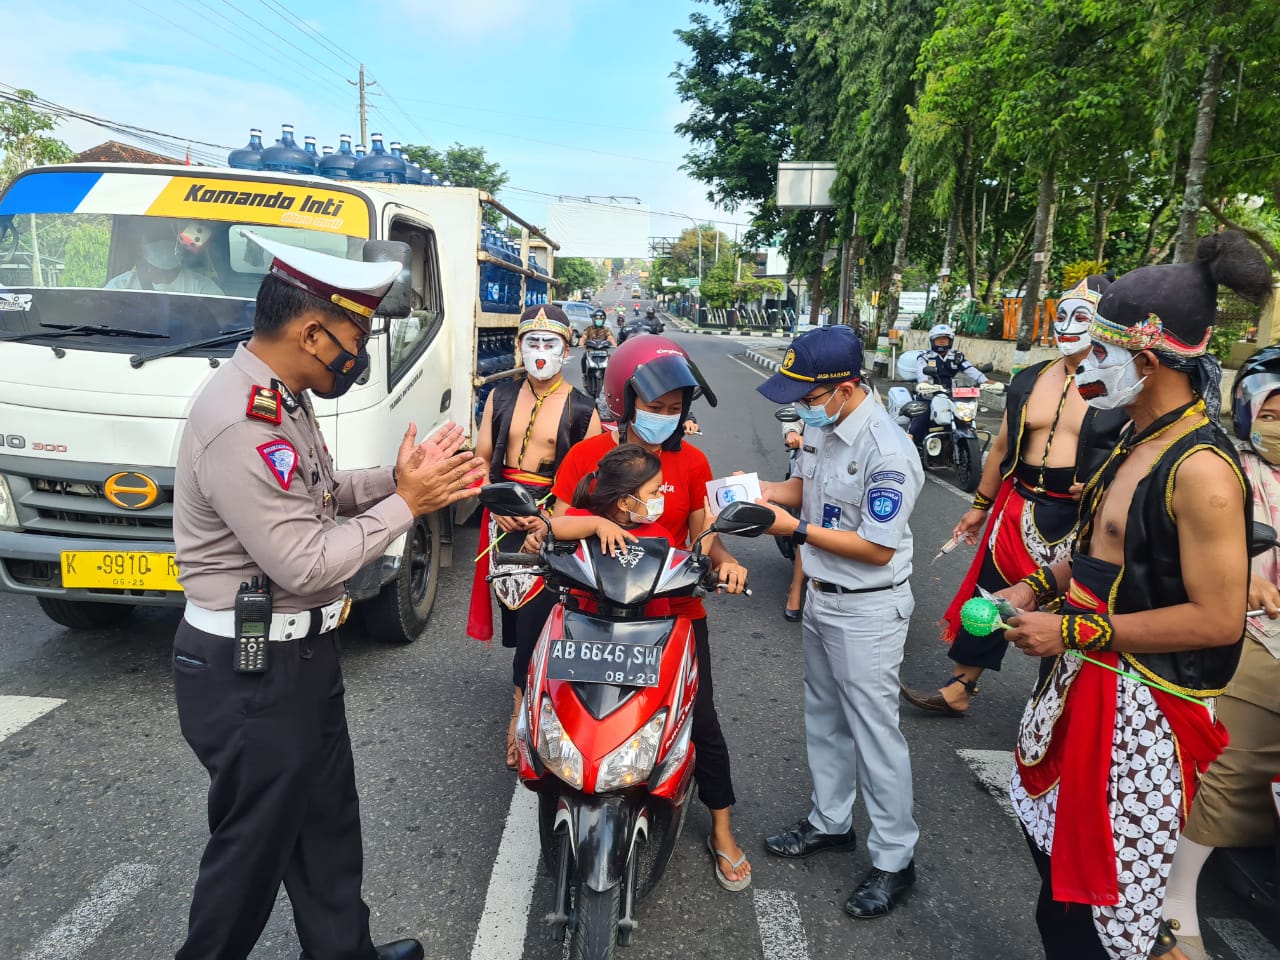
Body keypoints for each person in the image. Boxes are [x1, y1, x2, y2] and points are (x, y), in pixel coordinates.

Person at [171, 231, 487, 960]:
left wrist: (395, 478)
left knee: (327, 833)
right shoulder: (240, 419)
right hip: (249, 671)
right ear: (312, 331)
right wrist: (409, 503)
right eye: (357, 335)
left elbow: (321, 495)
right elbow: (305, 561)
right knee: (247, 864)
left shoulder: (280, 396)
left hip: (297, 662)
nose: (359, 353)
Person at [1001, 230, 1272, 960]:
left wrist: (1073, 634)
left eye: (1099, 354)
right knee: (1054, 872)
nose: (1084, 366)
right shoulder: (1129, 435)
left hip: (1142, 710)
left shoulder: (1206, 472)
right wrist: (1035, 584)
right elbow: (1099, 553)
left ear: (1146, 360)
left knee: (1098, 913)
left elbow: (1218, 618)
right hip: (1081, 680)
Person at [549, 334, 753, 891]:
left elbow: (704, 536)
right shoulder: (588, 456)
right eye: (653, 407)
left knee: (700, 722)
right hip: (593, 606)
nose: (662, 418)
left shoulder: (693, 462)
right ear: (624, 401)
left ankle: (722, 829)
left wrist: (726, 559)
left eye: (672, 410)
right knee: (559, 706)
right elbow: (557, 523)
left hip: (673, 611)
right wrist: (595, 523)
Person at [753, 325, 924, 919]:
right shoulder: (826, 428)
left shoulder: (888, 451)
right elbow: (806, 487)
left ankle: (895, 860)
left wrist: (791, 529)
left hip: (868, 606)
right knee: (823, 718)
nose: (801, 408)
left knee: (875, 734)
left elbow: (876, 548)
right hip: (823, 598)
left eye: (808, 396)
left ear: (845, 388)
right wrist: (763, 493)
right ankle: (831, 821)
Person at [901, 275, 1124, 717]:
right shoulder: (1028, 380)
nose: (1067, 324)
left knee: (1072, 612)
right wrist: (980, 507)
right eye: (1061, 314)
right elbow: (1002, 446)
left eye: (1081, 315)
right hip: (1019, 508)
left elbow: (1138, 453)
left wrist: (1103, 482)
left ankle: (1058, 707)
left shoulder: (1119, 387)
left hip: (1083, 519)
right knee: (989, 596)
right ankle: (961, 686)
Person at [1161, 347, 1280, 960]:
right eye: (1274, 410)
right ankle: (1175, 900)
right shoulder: (1221, 471)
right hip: (1255, 633)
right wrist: (1251, 584)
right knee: (1229, 763)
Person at [469, 304, 600, 768]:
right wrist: (492, 500)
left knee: (537, 621)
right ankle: (530, 696)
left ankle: (519, 717)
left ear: (567, 350)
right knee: (516, 617)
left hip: (551, 523)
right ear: (518, 346)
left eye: (550, 344)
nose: (540, 352)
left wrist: (547, 525)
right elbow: (482, 459)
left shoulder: (584, 410)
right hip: (504, 521)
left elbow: (588, 483)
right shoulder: (499, 398)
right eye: (532, 342)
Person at [551, 443, 676, 618]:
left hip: (649, 628)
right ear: (624, 502)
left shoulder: (661, 536)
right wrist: (597, 525)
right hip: (586, 624)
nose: (661, 497)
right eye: (654, 492)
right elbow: (552, 528)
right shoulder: (583, 520)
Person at [907, 323, 989, 446]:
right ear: (932, 341)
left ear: (950, 341)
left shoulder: (957, 357)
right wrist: (924, 384)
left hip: (952, 396)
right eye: (938, 339)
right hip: (929, 396)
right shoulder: (925, 357)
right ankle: (910, 447)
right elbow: (921, 373)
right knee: (919, 422)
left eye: (944, 339)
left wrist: (987, 382)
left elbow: (971, 370)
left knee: (965, 418)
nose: (941, 342)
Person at [106, 219, 223, 295]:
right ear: (138, 248)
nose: (162, 244)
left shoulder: (202, 288)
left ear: (180, 245)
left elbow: (226, 321)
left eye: (168, 238)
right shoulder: (120, 287)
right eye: (154, 239)